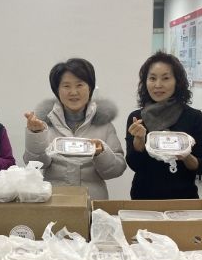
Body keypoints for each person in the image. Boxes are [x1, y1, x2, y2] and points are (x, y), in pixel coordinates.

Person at [23, 58, 126, 200]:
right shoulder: (44, 123)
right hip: (54, 201)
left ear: (90, 88)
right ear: (57, 90)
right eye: (66, 86)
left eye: (79, 85)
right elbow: (34, 164)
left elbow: (116, 170)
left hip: (92, 203)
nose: (73, 92)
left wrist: (101, 153)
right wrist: (36, 135)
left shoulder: (104, 124)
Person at [125, 51, 202, 199]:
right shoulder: (137, 118)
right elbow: (134, 165)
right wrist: (139, 141)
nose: (158, 85)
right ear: (145, 82)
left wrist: (186, 155)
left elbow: (201, 167)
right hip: (143, 197)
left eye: (166, 78)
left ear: (177, 81)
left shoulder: (193, 117)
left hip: (183, 198)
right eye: (152, 78)